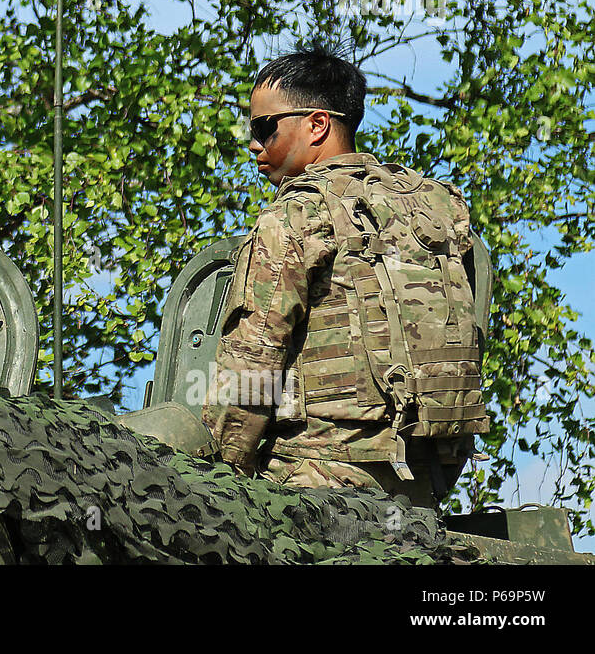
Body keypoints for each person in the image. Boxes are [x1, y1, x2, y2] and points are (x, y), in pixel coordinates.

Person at [202, 46, 488, 507]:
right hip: (424, 481)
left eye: (263, 127)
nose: (253, 144)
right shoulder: (439, 206)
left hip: (316, 480)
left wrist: (217, 483)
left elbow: (253, 362)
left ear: (317, 124)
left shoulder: (295, 213)